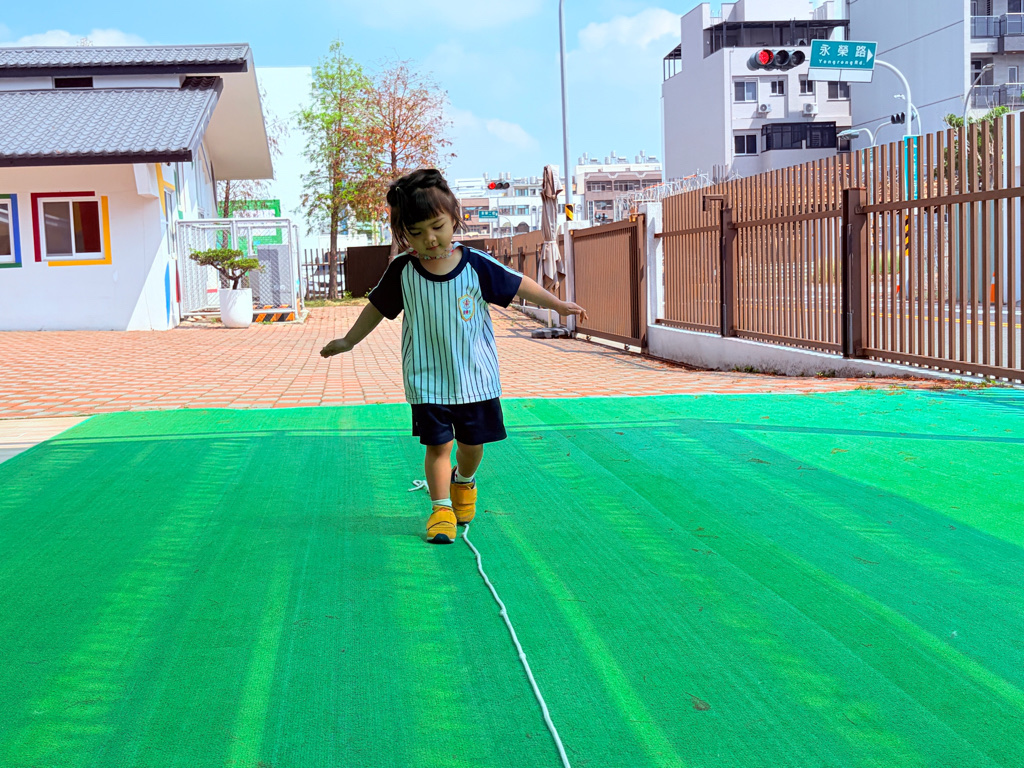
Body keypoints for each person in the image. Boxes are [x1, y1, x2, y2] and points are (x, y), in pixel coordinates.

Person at [320, 168, 588, 544]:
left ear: (453, 218)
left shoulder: (476, 264)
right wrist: (349, 341)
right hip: (427, 380)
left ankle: (464, 481)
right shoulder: (403, 271)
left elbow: (518, 284)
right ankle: (441, 509)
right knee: (438, 446)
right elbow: (376, 308)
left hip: (475, 378)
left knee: (471, 447)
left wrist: (557, 304)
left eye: (437, 226)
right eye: (416, 232)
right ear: (403, 233)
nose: (429, 239)